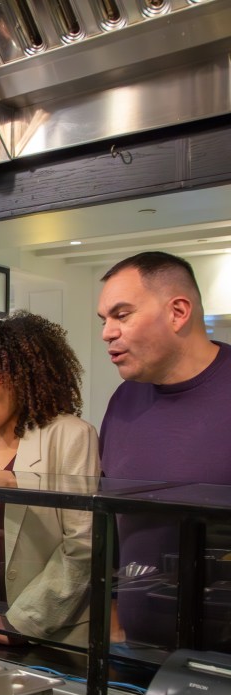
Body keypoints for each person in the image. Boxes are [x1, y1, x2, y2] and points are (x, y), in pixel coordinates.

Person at [0, 311, 100, 646]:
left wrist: (17, 624)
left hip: (51, 637)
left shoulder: (71, 436)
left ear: (23, 375)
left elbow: (82, 548)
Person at [97, 251, 231, 647]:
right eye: (103, 320)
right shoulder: (123, 401)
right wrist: (115, 610)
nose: (107, 332)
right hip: (139, 652)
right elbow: (116, 525)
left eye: (122, 315)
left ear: (177, 312)